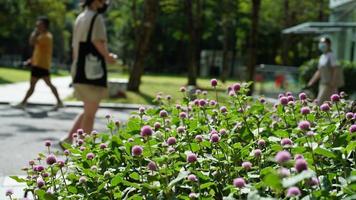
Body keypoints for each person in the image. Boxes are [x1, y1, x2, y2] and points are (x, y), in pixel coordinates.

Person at [60, 0, 116, 148]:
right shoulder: (96, 18)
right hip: (93, 72)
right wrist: (109, 57)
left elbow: (74, 46)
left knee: (88, 109)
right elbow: (98, 42)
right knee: (90, 113)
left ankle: (67, 140)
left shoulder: (81, 17)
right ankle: (85, 149)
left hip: (79, 68)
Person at [14, 16, 63, 109]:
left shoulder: (46, 37)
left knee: (35, 85)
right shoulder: (43, 36)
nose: (37, 25)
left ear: (45, 25)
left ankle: (23, 103)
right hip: (39, 64)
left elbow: (32, 42)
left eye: (39, 24)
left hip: (41, 65)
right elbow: (38, 51)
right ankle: (59, 102)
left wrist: (34, 31)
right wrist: (31, 60)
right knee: (44, 84)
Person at [307, 37, 344, 105]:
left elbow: (335, 69)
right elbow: (319, 71)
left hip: (329, 85)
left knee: (321, 103)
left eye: (323, 43)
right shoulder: (322, 56)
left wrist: (332, 82)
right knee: (327, 104)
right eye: (320, 43)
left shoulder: (331, 56)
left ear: (329, 44)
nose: (321, 45)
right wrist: (311, 82)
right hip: (323, 83)